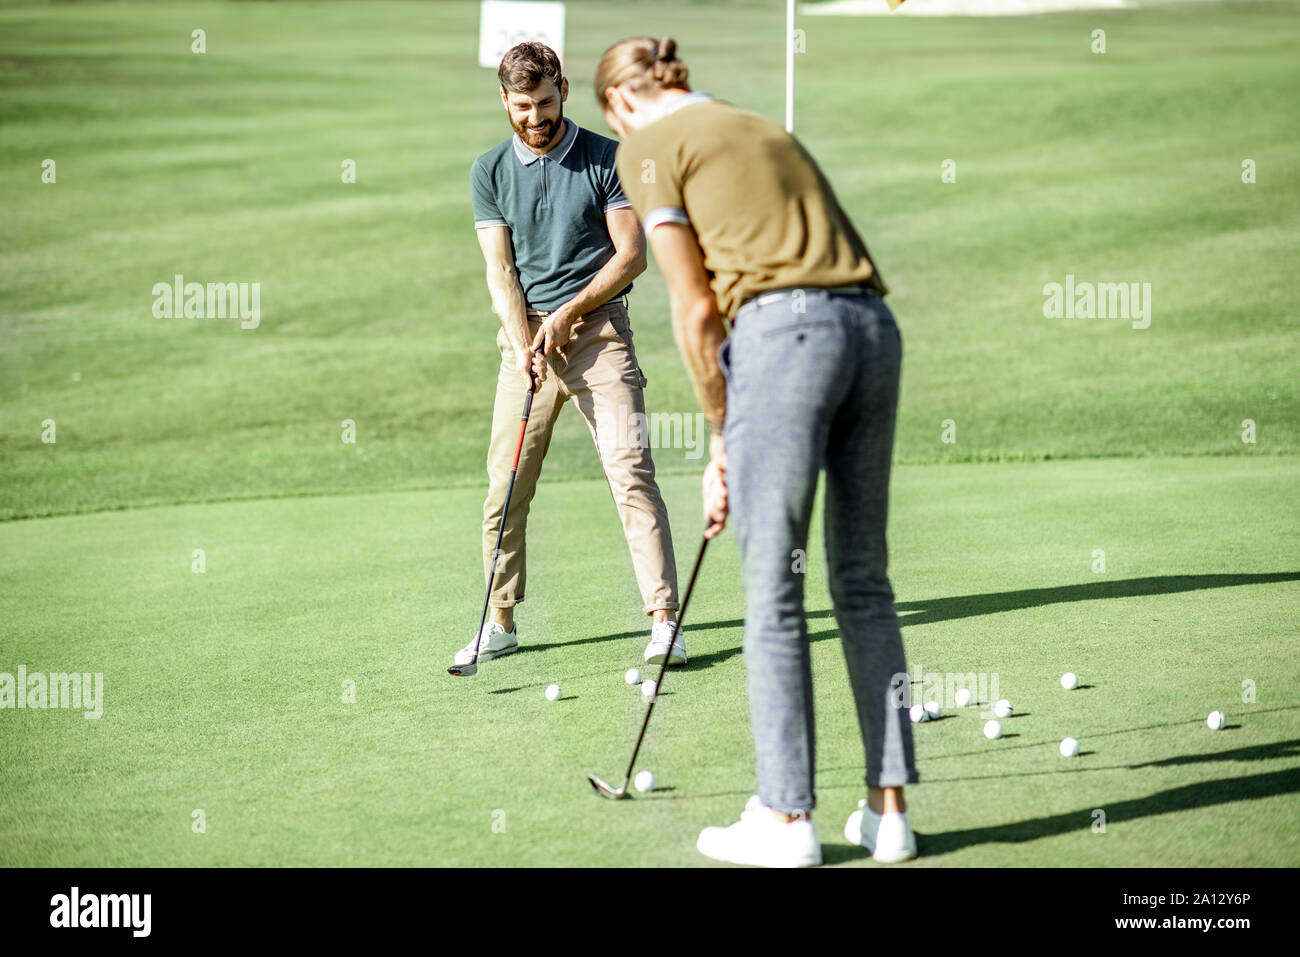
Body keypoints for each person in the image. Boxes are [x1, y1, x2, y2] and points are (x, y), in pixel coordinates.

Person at [595, 36, 919, 866]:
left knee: (773, 582)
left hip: (787, 336)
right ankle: (889, 817)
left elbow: (696, 309)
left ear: (618, 104)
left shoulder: (643, 146)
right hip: (873, 330)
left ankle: (784, 818)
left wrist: (719, 438)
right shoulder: (754, 122)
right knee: (861, 576)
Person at [458, 42, 684, 671]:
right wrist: (523, 334)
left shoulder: (605, 158)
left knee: (630, 469)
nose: (536, 117)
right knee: (505, 484)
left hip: (597, 336)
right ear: (504, 100)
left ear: (564, 89)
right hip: (524, 346)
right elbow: (500, 270)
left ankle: (664, 622)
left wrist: (566, 314)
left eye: (546, 103)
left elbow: (631, 255)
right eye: (523, 106)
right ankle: (499, 622)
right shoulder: (489, 171)